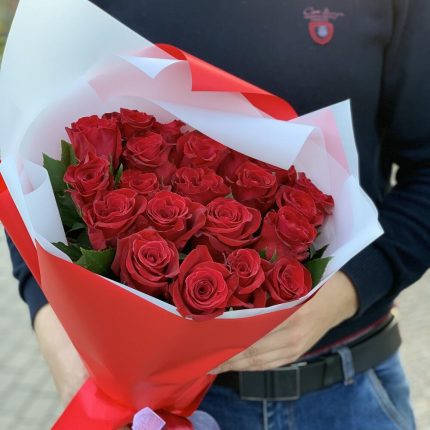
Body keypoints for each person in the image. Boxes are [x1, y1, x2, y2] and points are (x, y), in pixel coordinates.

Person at [6, 1, 430, 429]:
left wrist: (348, 291)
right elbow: (24, 162)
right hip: (154, 406)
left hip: (346, 389)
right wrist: (54, 329)